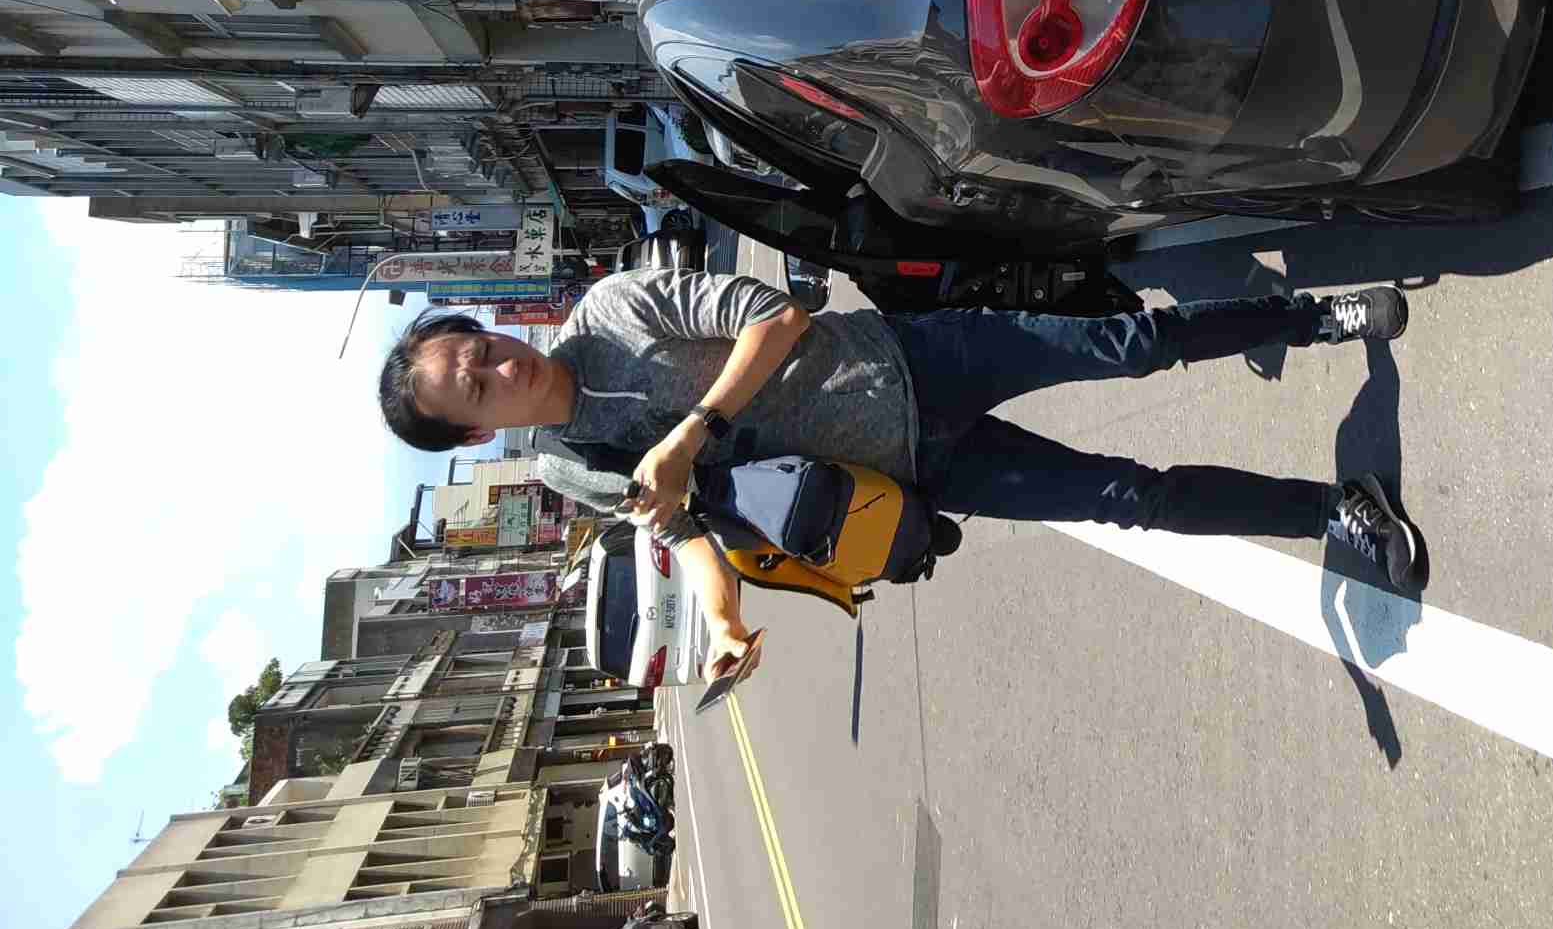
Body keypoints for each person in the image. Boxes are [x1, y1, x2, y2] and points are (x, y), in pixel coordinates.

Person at [376, 270, 1425, 678]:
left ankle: (1311, 317)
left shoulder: (611, 312)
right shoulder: (572, 467)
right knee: (1130, 498)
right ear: (472, 433)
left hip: (914, 359)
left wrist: (695, 425)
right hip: (915, 471)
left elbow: (778, 314)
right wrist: (725, 621)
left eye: (480, 347)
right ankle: (1333, 511)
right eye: (475, 386)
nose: (498, 366)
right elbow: (684, 530)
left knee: (1131, 346)